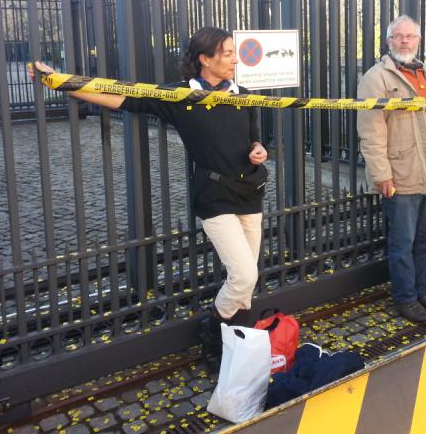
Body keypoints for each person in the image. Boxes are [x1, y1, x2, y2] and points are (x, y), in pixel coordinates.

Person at [29, 26, 268, 371]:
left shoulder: (242, 94)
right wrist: (58, 81)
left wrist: (258, 150)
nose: (235, 59)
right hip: (215, 196)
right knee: (243, 276)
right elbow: (119, 97)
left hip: (250, 193)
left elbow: (254, 140)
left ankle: (237, 347)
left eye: (234, 53)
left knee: (247, 280)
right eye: (228, 53)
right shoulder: (180, 96)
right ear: (205, 59)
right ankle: (212, 330)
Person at [356, 15, 426, 323]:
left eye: (410, 36)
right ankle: (406, 298)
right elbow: (371, 131)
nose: (405, 41)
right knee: (403, 242)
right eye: (399, 36)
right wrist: (381, 174)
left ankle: (423, 291)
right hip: (402, 172)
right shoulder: (376, 78)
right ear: (388, 41)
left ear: (418, 40)